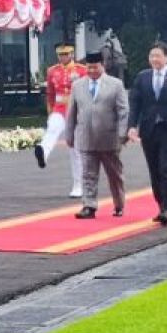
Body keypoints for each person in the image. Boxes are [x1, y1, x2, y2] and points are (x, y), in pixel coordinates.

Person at [127, 41, 167, 226]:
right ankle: (160, 204)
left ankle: (166, 208)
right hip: (148, 129)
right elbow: (135, 105)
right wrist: (132, 126)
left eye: (158, 55)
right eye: (152, 56)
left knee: (165, 168)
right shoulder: (142, 77)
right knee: (154, 169)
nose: (154, 59)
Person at [65, 51, 128, 219]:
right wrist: (69, 134)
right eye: (89, 67)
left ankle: (119, 203)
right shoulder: (78, 86)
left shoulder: (116, 85)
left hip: (109, 138)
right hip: (86, 137)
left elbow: (123, 111)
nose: (91, 70)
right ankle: (89, 205)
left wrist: (123, 133)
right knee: (88, 174)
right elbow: (71, 112)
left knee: (114, 175)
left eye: (95, 67)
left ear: (103, 65)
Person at [34, 42, 88, 197]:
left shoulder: (81, 70)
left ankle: (78, 185)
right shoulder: (52, 71)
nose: (63, 57)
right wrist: (50, 111)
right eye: (60, 55)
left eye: (66, 54)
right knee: (52, 128)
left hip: (77, 110)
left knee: (75, 149)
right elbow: (50, 93)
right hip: (59, 107)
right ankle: (43, 152)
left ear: (72, 54)